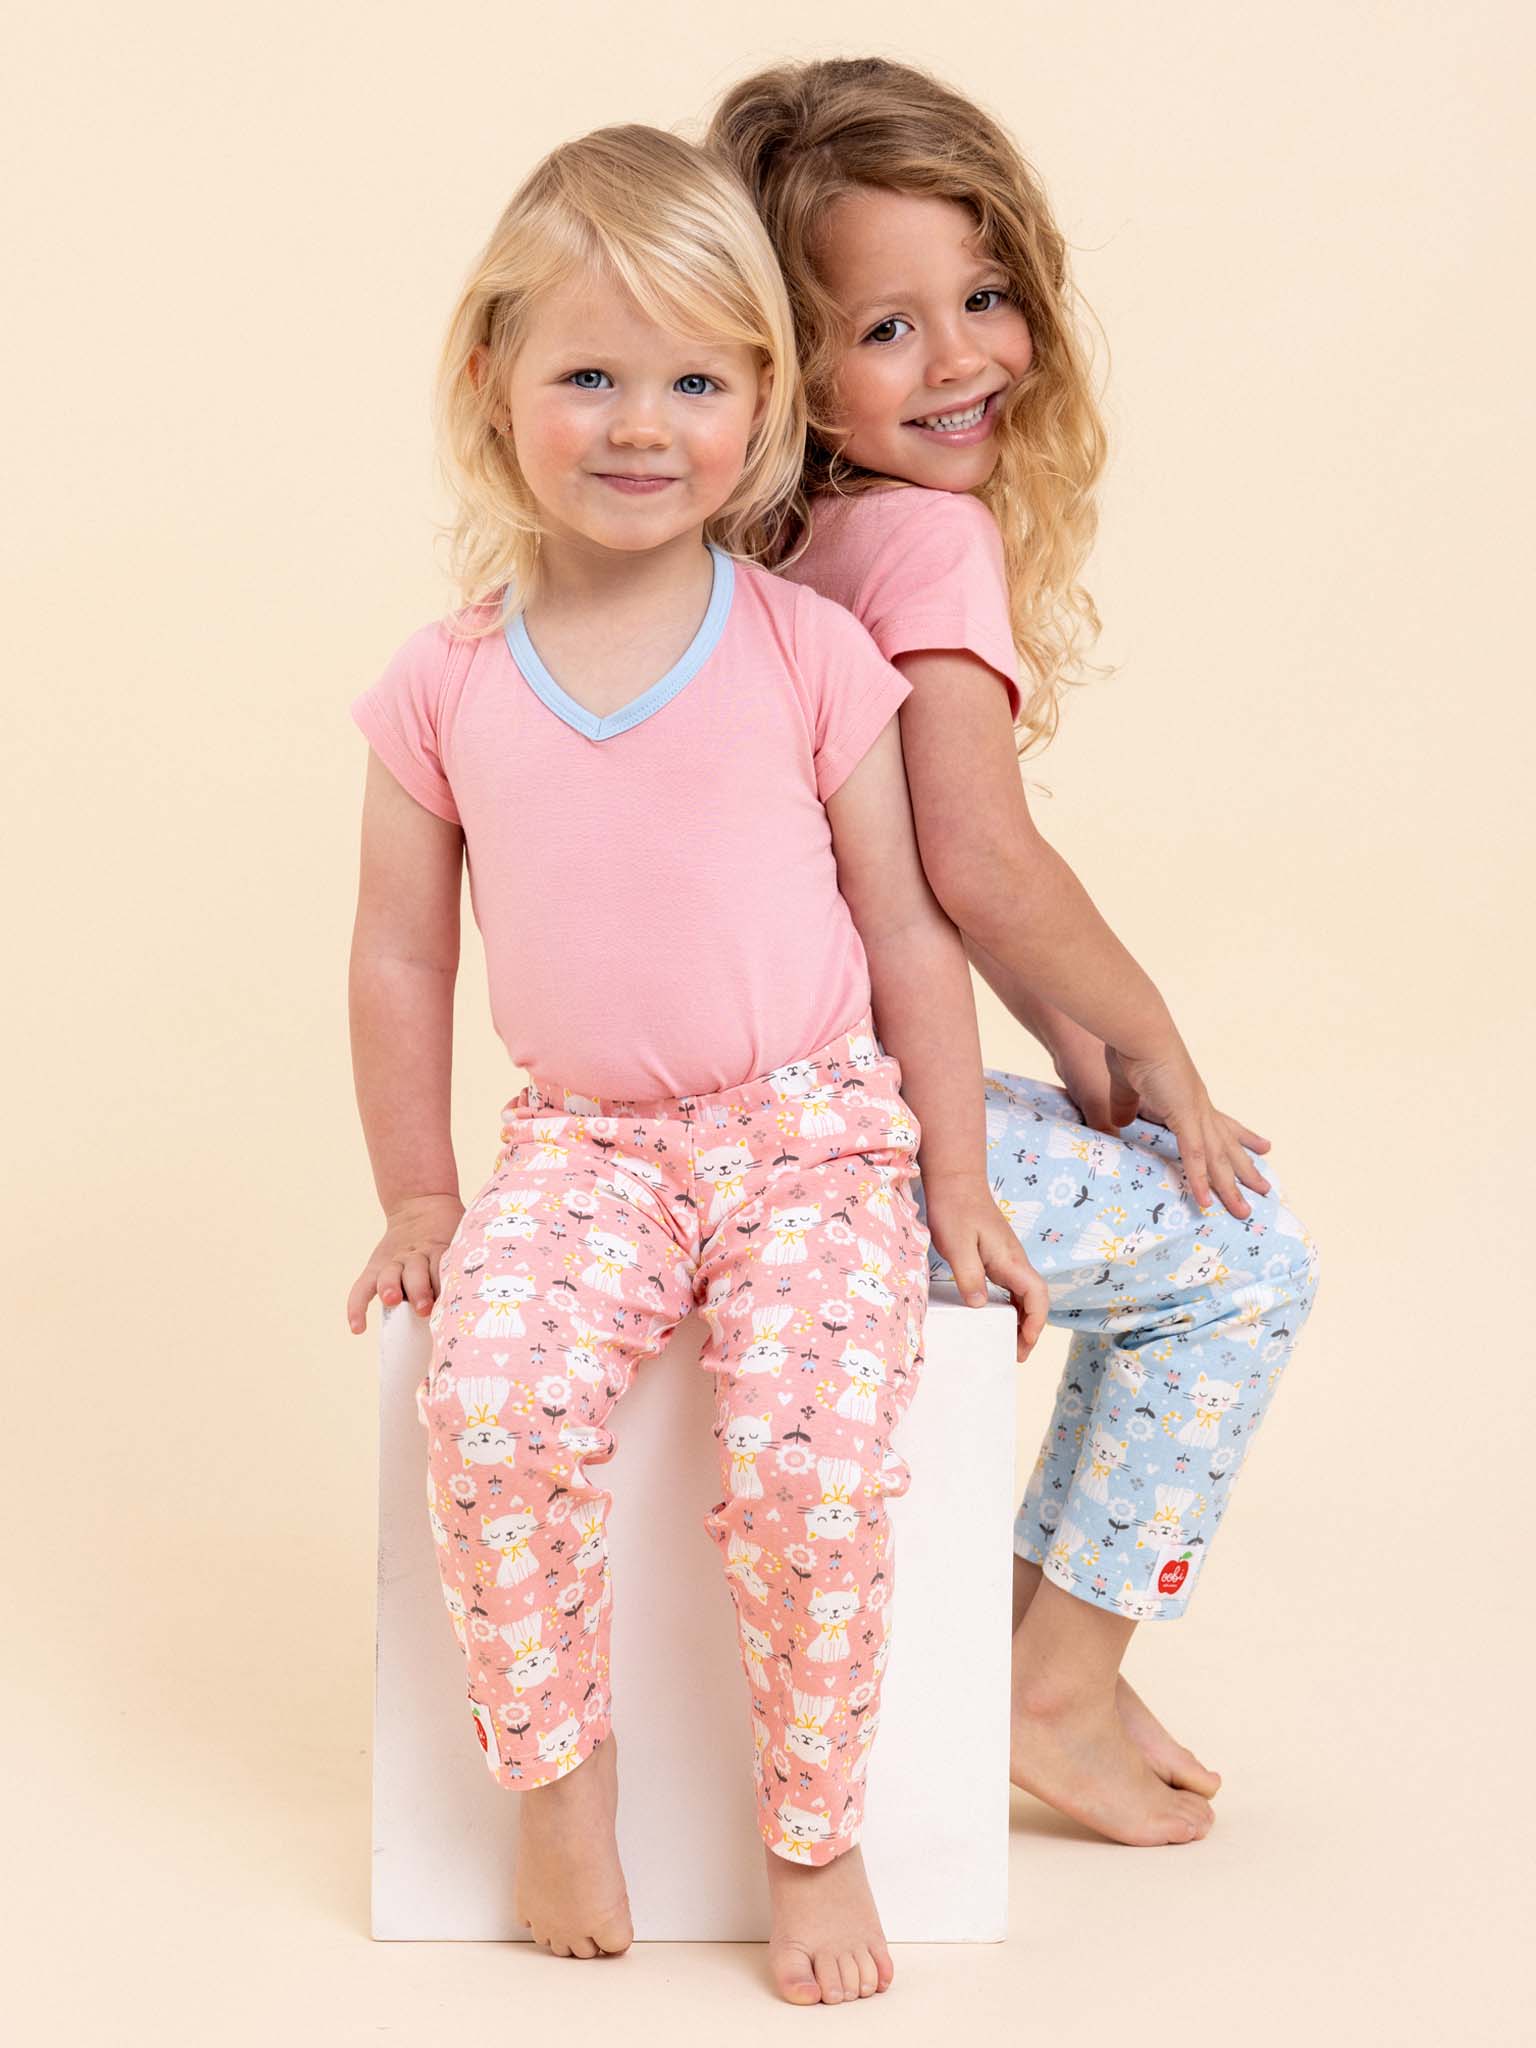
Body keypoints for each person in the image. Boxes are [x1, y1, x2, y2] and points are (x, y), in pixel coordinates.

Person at [343, 123, 1044, 2005]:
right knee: (488, 1409)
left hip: (815, 1130)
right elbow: (404, 949)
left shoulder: (812, 650)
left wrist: (952, 1178)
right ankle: (555, 1771)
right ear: (495, 384)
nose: (641, 424)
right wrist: (422, 1187)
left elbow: (909, 929)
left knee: (817, 1469)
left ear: (764, 396)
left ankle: (810, 1833)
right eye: (588, 374)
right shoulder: (446, 679)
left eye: (697, 380)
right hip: (584, 1142)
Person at [707, 56, 1321, 1850]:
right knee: (1241, 1259)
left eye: (985, 299)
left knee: (1130, 1173)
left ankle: (1045, 1654)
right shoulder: (920, 533)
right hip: (843, 1152)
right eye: (886, 328)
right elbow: (979, 859)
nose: (963, 356)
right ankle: (1050, 1684)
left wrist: (1091, 1057)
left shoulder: (760, 539)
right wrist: (1159, 1049)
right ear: (782, 359)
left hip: (745, 1107)